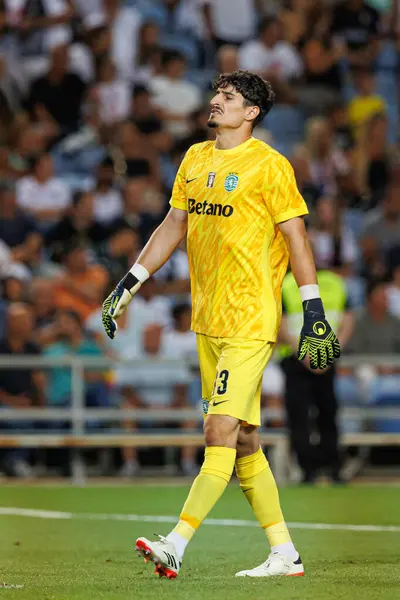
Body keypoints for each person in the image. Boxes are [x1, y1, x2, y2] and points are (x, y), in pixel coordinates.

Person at [101, 69, 341, 579]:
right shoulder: (194, 158)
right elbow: (172, 225)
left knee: (218, 431)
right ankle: (284, 553)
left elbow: (297, 240)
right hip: (208, 320)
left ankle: (176, 543)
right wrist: (129, 283)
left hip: (251, 320)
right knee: (247, 443)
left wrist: (312, 309)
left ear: (250, 112)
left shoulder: (270, 166)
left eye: (227, 97)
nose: (215, 101)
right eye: (217, 94)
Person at [279, 268, 354, 484]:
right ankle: (307, 470)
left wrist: (329, 352)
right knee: (299, 416)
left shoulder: (334, 282)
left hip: (323, 358)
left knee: (328, 413)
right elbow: (282, 322)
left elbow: (347, 318)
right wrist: (307, 355)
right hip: (296, 360)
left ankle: (332, 466)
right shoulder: (287, 283)